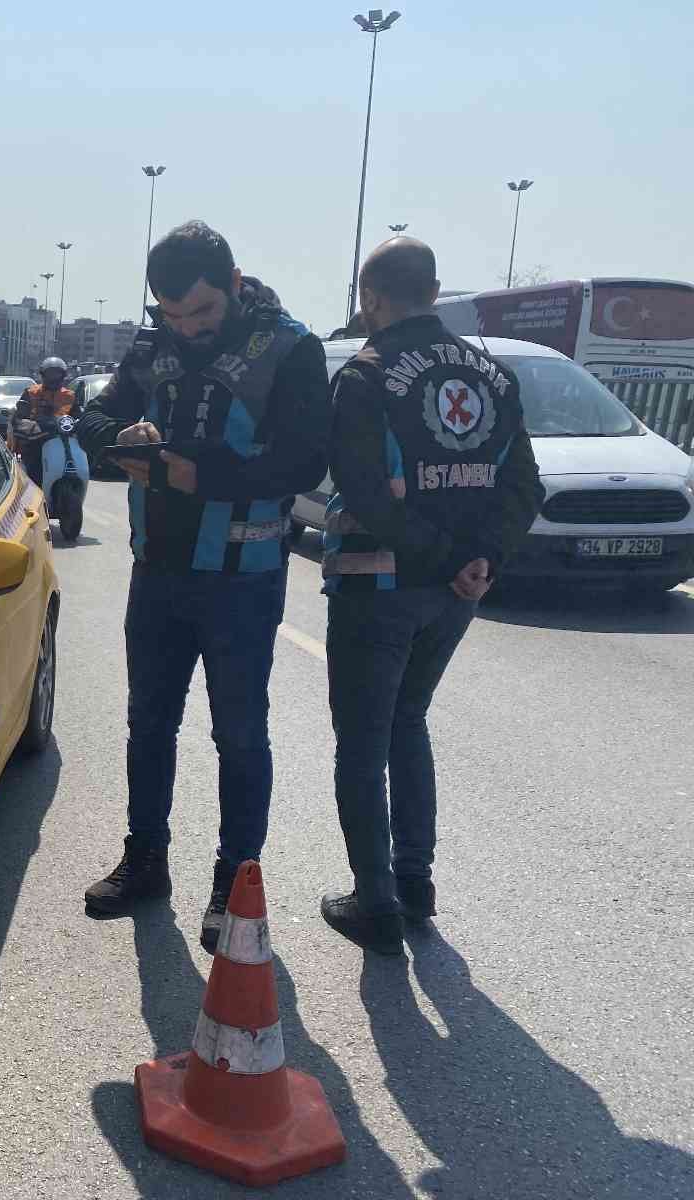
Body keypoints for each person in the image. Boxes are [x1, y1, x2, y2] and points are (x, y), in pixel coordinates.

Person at [77, 221, 331, 952]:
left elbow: (304, 462)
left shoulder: (291, 349)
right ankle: (146, 861)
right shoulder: (152, 347)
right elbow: (94, 416)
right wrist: (119, 442)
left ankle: (234, 883)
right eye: (173, 314)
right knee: (148, 725)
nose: (187, 330)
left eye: (202, 314)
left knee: (240, 735)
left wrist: (201, 474)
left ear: (236, 285)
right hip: (158, 570)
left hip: (242, 582)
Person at [319, 237, 541, 954]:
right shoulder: (495, 377)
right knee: (408, 723)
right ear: (435, 289)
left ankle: (375, 903)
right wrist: (480, 561)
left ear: (371, 297)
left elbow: (360, 495)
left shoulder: (367, 374)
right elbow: (524, 487)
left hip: (379, 584)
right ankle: (415, 882)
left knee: (362, 743)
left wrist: (453, 557)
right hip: (455, 596)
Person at [12, 356, 79, 487]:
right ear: (43, 375)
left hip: (63, 441)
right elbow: (19, 417)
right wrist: (27, 426)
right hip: (36, 441)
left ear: (63, 375)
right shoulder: (31, 392)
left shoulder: (70, 395)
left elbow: (78, 417)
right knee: (32, 476)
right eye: (50, 374)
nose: (53, 378)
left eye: (57, 374)